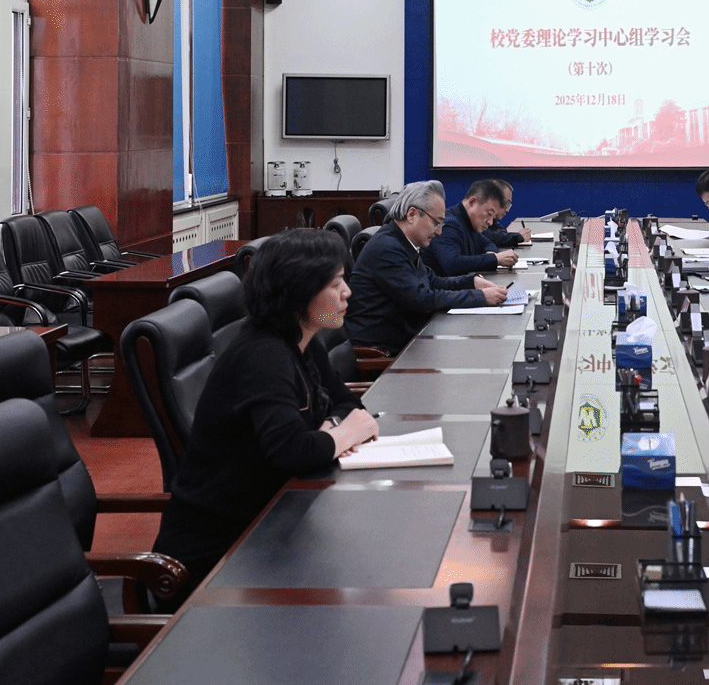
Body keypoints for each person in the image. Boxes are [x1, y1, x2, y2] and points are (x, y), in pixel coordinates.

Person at [153, 230, 381, 597]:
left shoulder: (303, 339)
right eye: (336, 283)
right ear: (299, 291)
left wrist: (331, 429)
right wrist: (345, 434)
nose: (347, 292)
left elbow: (348, 404)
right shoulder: (262, 355)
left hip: (271, 522)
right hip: (220, 557)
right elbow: (294, 451)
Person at [347, 180, 508, 352]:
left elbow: (433, 281)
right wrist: (480, 297)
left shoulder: (403, 241)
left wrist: (472, 282)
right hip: (384, 350)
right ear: (412, 215)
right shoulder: (387, 248)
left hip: (406, 336)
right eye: (436, 223)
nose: (439, 231)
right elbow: (422, 300)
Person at [428, 179, 521, 275]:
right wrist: (495, 259)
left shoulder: (470, 223)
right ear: (472, 202)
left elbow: (488, 244)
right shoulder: (448, 225)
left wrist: (491, 255)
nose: (490, 222)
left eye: (493, 217)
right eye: (489, 214)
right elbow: (453, 264)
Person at [481, 177, 531, 248]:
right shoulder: (476, 218)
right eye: (506, 203)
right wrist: (518, 237)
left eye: (509, 204)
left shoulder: (491, 219)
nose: (507, 209)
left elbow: (502, 232)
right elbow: (489, 237)